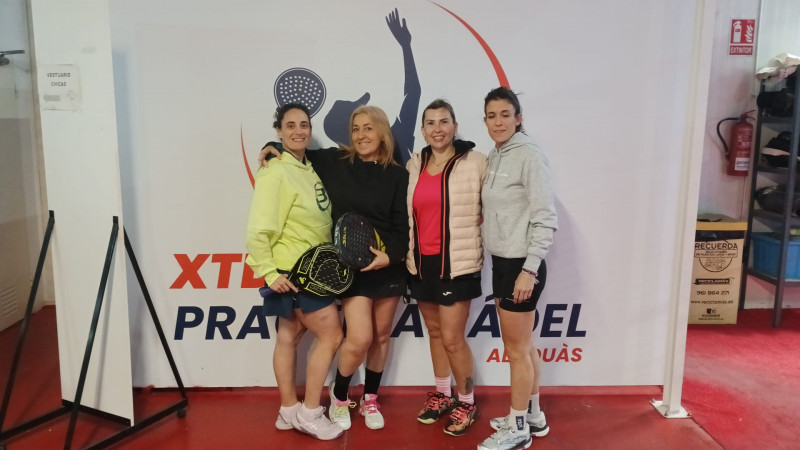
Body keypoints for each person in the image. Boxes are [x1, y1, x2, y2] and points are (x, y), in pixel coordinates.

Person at [259, 105, 409, 431]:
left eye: (368, 128)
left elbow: (403, 228)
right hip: (351, 271)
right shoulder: (335, 161)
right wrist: (271, 147)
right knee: (359, 338)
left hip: (388, 268)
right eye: (356, 129)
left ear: (382, 131)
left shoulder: (399, 175)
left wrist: (390, 256)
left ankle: (370, 398)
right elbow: (295, 150)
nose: (361, 135)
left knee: (382, 336)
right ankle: (340, 396)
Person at [245, 103, 344, 441]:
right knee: (332, 335)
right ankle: (310, 413)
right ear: (278, 131)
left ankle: (288, 410)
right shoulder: (275, 171)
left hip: (311, 268)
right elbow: (257, 230)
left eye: (304, 125)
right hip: (296, 272)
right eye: (290, 126)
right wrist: (269, 273)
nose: (299, 131)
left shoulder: (307, 166)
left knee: (288, 337)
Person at [476, 87, 558, 450]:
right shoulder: (497, 154)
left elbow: (545, 217)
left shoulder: (529, 155)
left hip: (521, 266)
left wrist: (530, 269)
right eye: (491, 116)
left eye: (505, 115)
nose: (498, 122)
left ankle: (518, 426)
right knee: (524, 346)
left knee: (517, 350)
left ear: (518, 118)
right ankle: (534, 415)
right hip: (504, 262)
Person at [406, 99, 487, 437]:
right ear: (423, 130)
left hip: (458, 265)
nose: (437, 129)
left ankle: (466, 402)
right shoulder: (415, 164)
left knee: (453, 339)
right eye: (430, 123)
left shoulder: (476, 162)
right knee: (436, 334)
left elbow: (496, 205)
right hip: (422, 264)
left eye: (443, 121)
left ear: (455, 126)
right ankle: (442, 394)